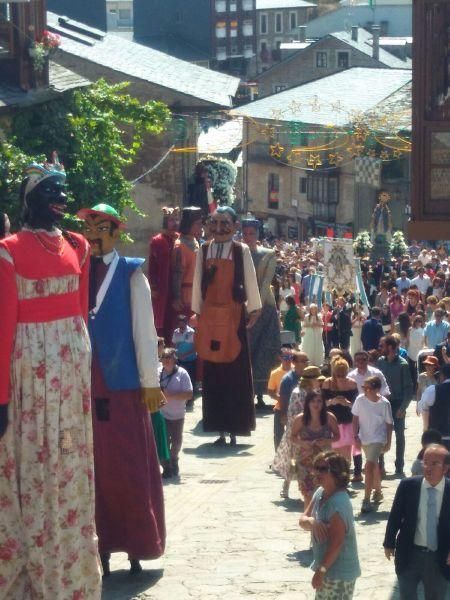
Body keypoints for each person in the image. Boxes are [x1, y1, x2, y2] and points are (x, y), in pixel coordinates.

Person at [0, 160, 101, 597]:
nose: (61, 199)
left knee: (69, 463)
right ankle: (31, 571)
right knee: (33, 462)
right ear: (32, 198)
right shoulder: (8, 250)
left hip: (70, 374)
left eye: (64, 191)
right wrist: (1, 397)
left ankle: (71, 571)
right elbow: (4, 325)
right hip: (30, 375)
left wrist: (85, 376)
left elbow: (81, 314)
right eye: (52, 192)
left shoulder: (79, 245)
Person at [78, 203, 166, 576]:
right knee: (93, 468)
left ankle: (136, 543)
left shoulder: (132, 274)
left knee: (128, 465)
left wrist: (150, 381)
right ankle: (101, 545)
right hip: (85, 382)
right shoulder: (78, 272)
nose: (93, 234)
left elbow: (144, 332)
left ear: (115, 231)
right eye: (88, 228)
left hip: (123, 385)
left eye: (100, 228)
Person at [192, 206, 261, 446]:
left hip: (233, 318)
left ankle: (235, 427)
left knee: (235, 372)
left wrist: (253, 308)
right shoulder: (204, 250)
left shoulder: (240, 251)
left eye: (225, 223)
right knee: (213, 373)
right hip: (210, 318)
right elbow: (197, 283)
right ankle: (218, 427)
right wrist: (197, 313)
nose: (219, 228)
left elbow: (250, 280)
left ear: (235, 225)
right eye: (215, 223)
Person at [383, 444, 450, 600]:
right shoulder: (408, 486)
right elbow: (395, 515)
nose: (428, 468)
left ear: (446, 468)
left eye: (435, 464)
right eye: (425, 462)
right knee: (406, 595)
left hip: (438, 557)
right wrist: (389, 542)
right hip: (409, 553)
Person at [299, 451, 361, 599]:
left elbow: (337, 543)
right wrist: (312, 522)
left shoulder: (338, 503)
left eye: (322, 469)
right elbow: (302, 520)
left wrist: (321, 571)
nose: (316, 472)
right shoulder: (320, 492)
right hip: (328, 568)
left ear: (336, 474)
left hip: (338, 573)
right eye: (316, 467)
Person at [242, 217, 281, 409]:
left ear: (257, 235)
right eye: (245, 233)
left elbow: (266, 282)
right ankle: (244, 391)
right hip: (243, 306)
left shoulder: (268, 254)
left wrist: (256, 306)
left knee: (265, 350)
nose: (248, 237)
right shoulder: (238, 253)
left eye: (252, 233)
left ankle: (261, 393)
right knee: (245, 350)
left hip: (264, 306)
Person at [273, 366, 322, 498]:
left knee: (311, 459)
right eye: (317, 378)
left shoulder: (316, 391)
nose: (319, 381)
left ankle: (312, 486)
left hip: (312, 430)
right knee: (293, 459)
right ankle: (286, 485)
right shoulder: (298, 392)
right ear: (311, 379)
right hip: (298, 430)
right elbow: (293, 413)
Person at [352, 376, 393, 513]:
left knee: (369, 466)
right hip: (364, 438)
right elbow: (355, 418)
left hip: (378, 439)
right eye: (363, 387)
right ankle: (378, 491)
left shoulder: (384, 403)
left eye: (367, 388)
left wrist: (388, 442)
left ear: (376, 389)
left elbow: (389, 424)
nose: (365, 390)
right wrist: (355, 435)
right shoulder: (360, 400)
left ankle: (366, 499)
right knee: (374, 466)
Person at [291, 390, 339, 507]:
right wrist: (302, 443)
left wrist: (327, 441)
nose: (316, 404)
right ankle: (309, 520)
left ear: (323, 403)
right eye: (313, 401)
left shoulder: (330, 418)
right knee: (308, 494)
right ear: (307, 403)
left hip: (325, 462)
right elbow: (292, 437)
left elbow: (337, 436)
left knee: (326, 492)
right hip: (305, 461)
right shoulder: (300, 419)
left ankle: (323, 520)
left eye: (319, 401)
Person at [377, 335, 413, 476]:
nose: (381, 349)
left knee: (399, 435)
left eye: (383, 346)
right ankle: (381, 466)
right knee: (380, 435)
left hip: (397, 404)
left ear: (390, 347)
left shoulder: (402, 364)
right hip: (382, 404)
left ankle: (399, 465)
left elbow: (408, 389)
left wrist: (403, 408)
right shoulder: (380, 362)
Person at [159, 347, 193, 478]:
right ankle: (167, 467)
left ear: (174, 359)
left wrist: (169, 396)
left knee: (177, 441)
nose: (166, 360)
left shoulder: (182, 374)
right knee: (164, 442)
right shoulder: (157, 373)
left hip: (178, 414)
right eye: (164, 358)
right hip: (162, 414)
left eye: (169, 358)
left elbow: (189, 394)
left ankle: (174, 459)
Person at [148, 206, 180, 342]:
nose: (175, 223)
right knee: (162, 320)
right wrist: (153, 287)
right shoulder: (157, 241)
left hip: (177, 285)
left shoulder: (179, 240)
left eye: (177, 220)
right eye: (172, 220)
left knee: (177, 320)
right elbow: (152, 266)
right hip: (162, 287)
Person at [322, 359, 359, 462]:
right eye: (338, 375)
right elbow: (321, 404)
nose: (341, 378)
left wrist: (347, 403)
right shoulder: (327, 383)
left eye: (344, 375)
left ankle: (345, 474)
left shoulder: (352, 384)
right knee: (333, 454)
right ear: (334, 373)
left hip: (347, 422)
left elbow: (357, 406)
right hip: (331, 423)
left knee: (346, 453)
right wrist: (332, 401)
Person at [172, 206, 202, 320]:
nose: (200, 227)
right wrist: (177, 297)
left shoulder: (196, 241)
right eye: (197, 224)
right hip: (184, 298)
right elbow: (177, 274)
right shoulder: (180, 245)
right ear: (189, 224)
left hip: (195, 297)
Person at [267, 348, 294, 449]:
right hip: (280, 407)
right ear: (280, 358)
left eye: (290, 357)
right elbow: (270, 391)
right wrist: (279, 398)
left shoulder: (296, 371)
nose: (288, 360)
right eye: (285, 357)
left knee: (294, 433)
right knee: (278, 434)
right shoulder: (275, 373)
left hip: (294, 407)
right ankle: (277, 458)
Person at [419, 362, 450, 440]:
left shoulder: (432, 390)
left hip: (438, 439)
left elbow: (424, 411)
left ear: (442, 376)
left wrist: (425, 430)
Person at [278, 351, 310, 427]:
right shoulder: (287, 379)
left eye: (307, 361)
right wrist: (283, 415)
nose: (306, 363)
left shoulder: (311, 376)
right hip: (294, 416)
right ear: (294, 362)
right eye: (303, 361)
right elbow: (283, 398)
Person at [172, 314, 197, 408]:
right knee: (180, 380)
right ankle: (182, 400)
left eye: (182, 324)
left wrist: (185, 355)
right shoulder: (176, 332)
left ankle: (190, 401)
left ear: (186, 323)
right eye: (179, 324)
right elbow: (174, 345)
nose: (181, 326)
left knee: (191, 379)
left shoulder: (191, 332)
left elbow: (195, 347)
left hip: (190, 360)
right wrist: (177, 355)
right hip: (180, 361)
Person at [408, 314, 425, 391]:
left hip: (418, 354)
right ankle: (413, 387)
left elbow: (423, 342)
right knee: (411, 371)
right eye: (417, 321)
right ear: (414, 322)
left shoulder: (423, 331)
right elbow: (408, 340)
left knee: (418, 372)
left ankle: (417, 387)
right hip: (411, 353)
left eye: (420, 321)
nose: (418, 323)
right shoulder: (410, 329)